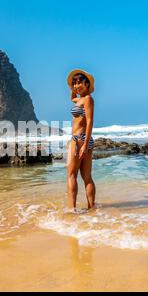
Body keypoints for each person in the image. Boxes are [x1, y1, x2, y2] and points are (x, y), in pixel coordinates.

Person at [66, 69, 96, 212]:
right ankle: (92, 209)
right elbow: (72, 97)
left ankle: (72, 209)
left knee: (72, 175)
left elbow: (90, 122)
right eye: (75, 82)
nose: (77, 85)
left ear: (87, 83)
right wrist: (72, 87)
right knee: (86, 177)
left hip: (80, 139)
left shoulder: (88, 99)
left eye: (79, 82)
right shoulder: (80, 99)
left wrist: (84, 145)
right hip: (83, 140)